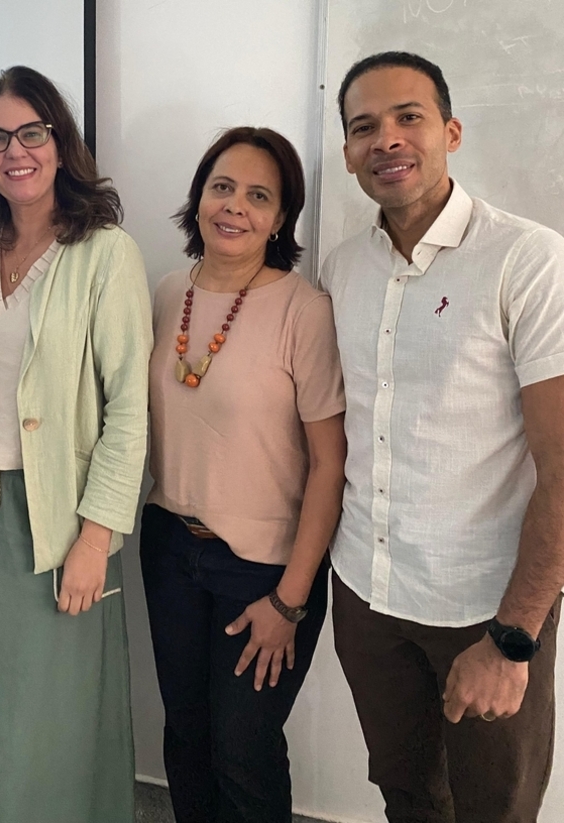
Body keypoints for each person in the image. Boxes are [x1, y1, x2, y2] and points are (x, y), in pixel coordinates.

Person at [321, 51, 564, 823]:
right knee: (408, 798)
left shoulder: (526, 259)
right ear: (351, 153)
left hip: (485, 605)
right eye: (365, 127)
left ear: (451, 131)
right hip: (367, 593)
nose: (386, 139)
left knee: (494, 810)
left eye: (408, 117)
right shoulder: (341, 268)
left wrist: (516, 637)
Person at [0, 66, 152, 823]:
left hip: (50, 513)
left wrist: (96, 535)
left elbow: (129, 409)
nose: (12, 151)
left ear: (59, 141)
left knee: (45, 720)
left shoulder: (105, 252)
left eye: (30, 133)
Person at [142, 126, 347, 823]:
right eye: (222, 186)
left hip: (263, 571)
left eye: (259, 196)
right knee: (186, 735)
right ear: (199, 195)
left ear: (281, 217)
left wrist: (290, 600)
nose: (234, 206)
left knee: (244, 748)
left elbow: (330, 464)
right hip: (170, 546)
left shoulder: (304, 309)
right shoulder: (170, 290)